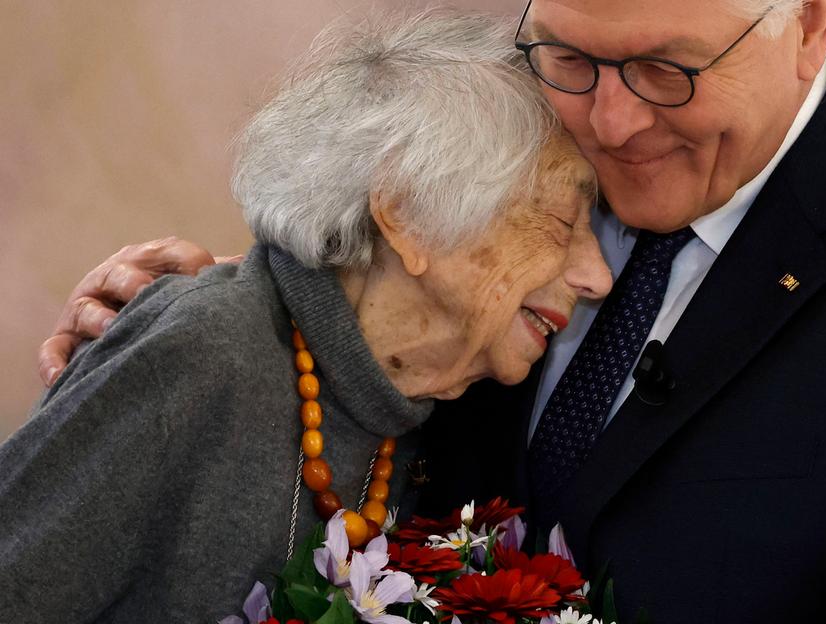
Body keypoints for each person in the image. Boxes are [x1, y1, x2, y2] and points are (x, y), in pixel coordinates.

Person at [37, 0, 826, 621]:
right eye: (575, 56)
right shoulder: (520, 119)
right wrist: (241, 310)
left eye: (667, 70)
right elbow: (402, 290)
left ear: (809, 22)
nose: (612, 120)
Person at [0, 10, 613, 622]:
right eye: (562, 221)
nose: (598, 276)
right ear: (406, 211)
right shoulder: (207, 352)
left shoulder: (426, 402)